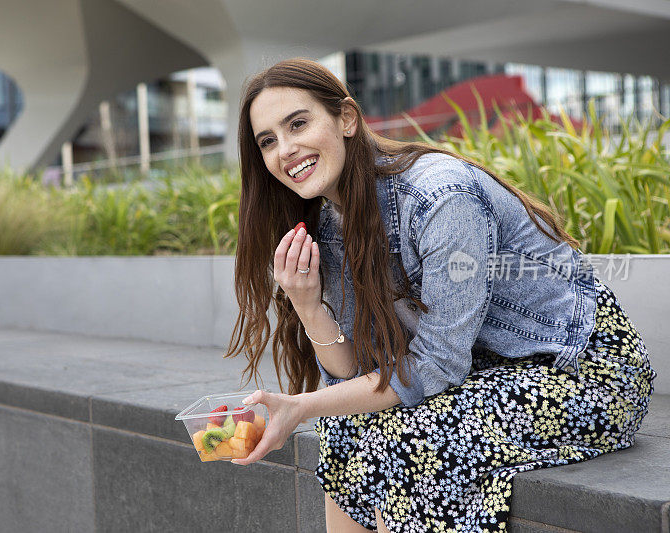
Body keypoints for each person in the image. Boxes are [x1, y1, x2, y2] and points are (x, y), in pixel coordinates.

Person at [224, 58, 655, 532]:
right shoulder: (329, 224)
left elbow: (436, 366)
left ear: (346, 118)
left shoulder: (441, 198)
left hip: (581, 374)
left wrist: (302, 406)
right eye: (268, 141)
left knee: (414, 438)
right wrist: (307, 304)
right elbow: (366, 373)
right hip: (486, 378)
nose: (285, 149)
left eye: (298, 123)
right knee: (345, 424)